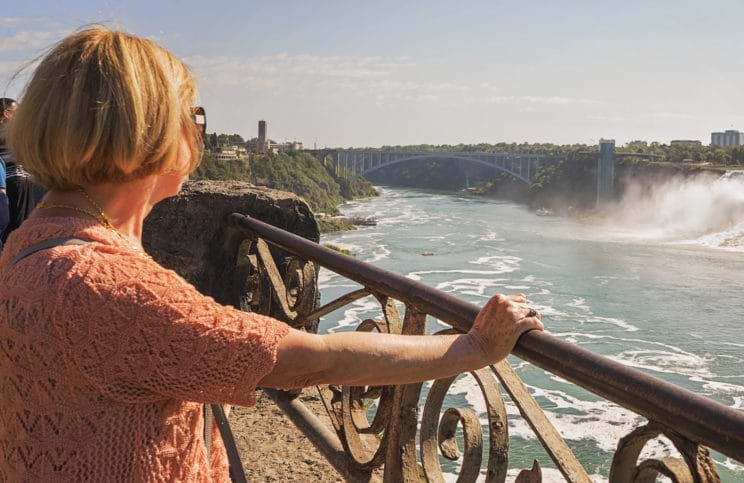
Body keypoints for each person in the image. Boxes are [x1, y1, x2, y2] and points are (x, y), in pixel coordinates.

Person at [0, 28, 543, 482]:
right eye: (192, 116)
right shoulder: (100, 281)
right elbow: (310, 359)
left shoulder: (34, 240)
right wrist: (470, 349)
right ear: (145, 134)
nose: (198, 131)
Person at [0, 97, 35, 244]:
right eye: (17, 112)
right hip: (13, 182)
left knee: (22, 227)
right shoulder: (8, 132)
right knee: (17, 229)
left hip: (21, 180)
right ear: (6, 113)